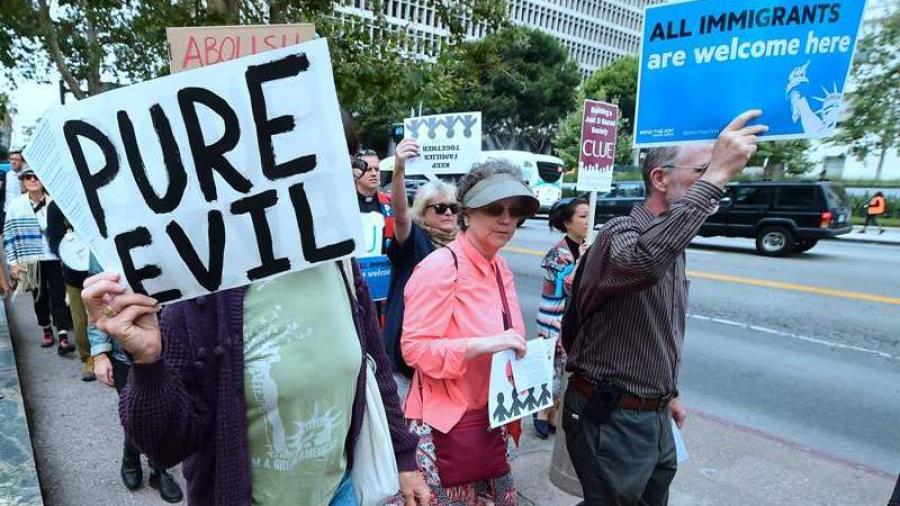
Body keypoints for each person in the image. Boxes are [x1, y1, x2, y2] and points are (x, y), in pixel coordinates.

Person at [80, 115, 431, 506]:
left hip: (340, 492)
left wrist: (404, 458)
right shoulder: (206, 284)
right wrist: (148, 363)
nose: (330, 173)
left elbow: (376, 365)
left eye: (339, 157)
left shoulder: (338, 260)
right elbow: (165, 446)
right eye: (307, 157)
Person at [561, 110, 767, 505]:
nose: (715, 184)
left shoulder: (673, 243)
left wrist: (668, 392)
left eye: (713, 173)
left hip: (653, 415)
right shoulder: (621, 233)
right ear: (660, 178)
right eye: (701, 172)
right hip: (613, 417)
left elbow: (657, 330)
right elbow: (643, 261)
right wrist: (716, 176)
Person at [397, 160, 539, 505]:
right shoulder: (441, 266)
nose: (507, 220)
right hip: (447, 430)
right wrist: (484, 344)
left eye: (514, 210)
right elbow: (414, 350)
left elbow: (506, 337)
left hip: (492, 420)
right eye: (494, 209)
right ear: (467, 213)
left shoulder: (499, 265)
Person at [87, 256, 183, 502]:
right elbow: (96, 302)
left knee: (168, 409)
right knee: (138, 409)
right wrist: (99, 354)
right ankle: (142, 461)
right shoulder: (104, 229)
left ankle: (153, 465)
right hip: (125, 349)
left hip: (177, 342)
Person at [382, 137, 459, 401]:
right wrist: (399, 168)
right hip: (408, 358)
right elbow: (400, 214)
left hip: (443, 353)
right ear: (422, 213)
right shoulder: (414, 239)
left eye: (453, 207)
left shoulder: (463, 244)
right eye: (440, 208)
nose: (448, 213)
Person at [532, 197, 589, 439]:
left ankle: (554, 413)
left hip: (574, 320)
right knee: (551, 371)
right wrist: (582, 262)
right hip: (553, 320)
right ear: (568, 223)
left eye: (589, 215)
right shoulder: (557, 254)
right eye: (582, 216)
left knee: (565, 370)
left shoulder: (588, 246)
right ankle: (542, 413)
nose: (588, 222)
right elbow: (566, 287)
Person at [3, 168, 75, 353]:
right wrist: (13, 263)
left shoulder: (56, 202)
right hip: (31, 260)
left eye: (37, 176)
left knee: (59, 296)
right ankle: (46, 328)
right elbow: (9, 236)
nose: (33, 180)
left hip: (55, 256)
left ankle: (63, 335)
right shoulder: (15, 206)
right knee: (39, 297)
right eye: (28, 177)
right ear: (23, 182)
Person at [46, 201, 95, 381]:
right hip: (74, 272)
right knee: (81, 319)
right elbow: (55, 243)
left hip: (101, 266)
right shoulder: (55, 207)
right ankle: (88, 358)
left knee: (109, 313)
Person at [354, 148, 394, 256]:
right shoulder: (347, 205)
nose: (373, 173)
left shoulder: (390, 205)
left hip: (381, 269)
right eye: (368, 169)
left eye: (376, 169)